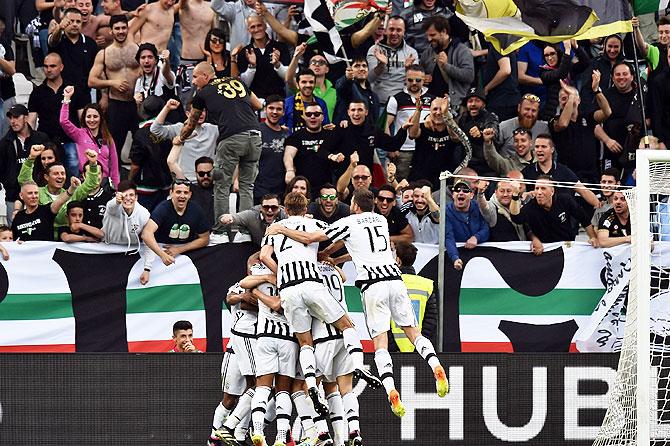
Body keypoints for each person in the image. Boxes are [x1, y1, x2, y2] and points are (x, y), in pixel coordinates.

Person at [267, 188, 448, 419]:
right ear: (372, 204)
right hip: (395, 280)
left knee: (380, 344)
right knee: (415, 333)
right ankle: (436, 367)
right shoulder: (381, 220)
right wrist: (334, 258)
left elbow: (311, 238)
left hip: (373, 286)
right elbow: (356, 248)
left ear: (353, 205)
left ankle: (391, 390)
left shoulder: (349, 222)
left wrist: (281, 228)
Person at [261, 192, 382, 420]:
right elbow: (342, 235)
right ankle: (358, 365)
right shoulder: (314, 222)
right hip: (311, 285)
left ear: (285, 209)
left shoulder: (273, 229)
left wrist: (281, 275)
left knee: (305, 342)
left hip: (288, 289)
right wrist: (328, 254)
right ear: (306, 208)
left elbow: (265, 256)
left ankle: (311, 386)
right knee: (347, 325)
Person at [175, 61, 263, 238]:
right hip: (255, 136)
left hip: (231, 138)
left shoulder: (203, 92)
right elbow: (258, 105)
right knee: (247, 186)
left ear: (206, 76)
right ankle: (244, 232)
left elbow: (192, 121)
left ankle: (221, 232)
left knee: (222, 186)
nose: (193, 82)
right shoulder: (237, 81)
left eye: (195, 77)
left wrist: (180, 138)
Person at [239, 260, 294, 446]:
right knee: (283, 391)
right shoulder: (292, 271)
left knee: (262, 388)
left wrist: (256, 289)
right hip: (288, 337)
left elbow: (244, 283)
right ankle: (280, 436)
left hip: (264, 336)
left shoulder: (259, 269)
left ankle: (258, 431)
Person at [27, 52, 87, 178]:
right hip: (46, 141)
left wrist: (84, 141)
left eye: (52, 66)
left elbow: (82, 118)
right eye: (46, 66)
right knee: (48, 175)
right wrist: (30, 142)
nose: (48, 70)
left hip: (70, 140)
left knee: (73, 171)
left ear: (61, 67)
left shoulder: (73, 90)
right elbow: (31, 121)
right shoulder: (37, 93)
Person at [88, 15, 140, 160]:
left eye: (123, 28)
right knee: (114, 147)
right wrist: (112, 83)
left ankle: (136, 179)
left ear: (128, 29)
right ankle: (112, 181)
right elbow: (91, 81)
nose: (121, 31)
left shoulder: (138, 50)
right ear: (111, 31)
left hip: (137, 104)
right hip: (116, 104)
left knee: (143, 144)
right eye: (117, 28)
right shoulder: (104, 54)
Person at [511, 176, 599, 255]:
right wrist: (515, 195)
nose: (539, 192)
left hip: (566, 247)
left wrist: (593, 237)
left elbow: (584, 218)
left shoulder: (565, 200)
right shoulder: (531, 206)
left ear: (552, 191)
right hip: (544, 249)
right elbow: (516, 218)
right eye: (536, 188)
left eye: (543, 188)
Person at [141, 180, 211, 278]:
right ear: (171, 193)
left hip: (186, 252)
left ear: (190, 195)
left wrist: (179, 249)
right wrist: (162, 255)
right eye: (178, 192)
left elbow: (205, 239)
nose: (182, 196)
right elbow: (146, 234)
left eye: (185, 193)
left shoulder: (196, 210)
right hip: (162, 251)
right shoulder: (163, 208)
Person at [551, 78, 611, 185]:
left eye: (570, 97)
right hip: (567, 177)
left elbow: (607, 112)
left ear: (579, 100)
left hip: (591, 176)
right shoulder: (555, 120)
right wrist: (571, 97)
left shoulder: (587, 117)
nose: (567, 100)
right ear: (559, 102)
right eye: (563, 98)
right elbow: (563, 124)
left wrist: (597, 91)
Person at [60, 86, 120, 187]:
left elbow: (114, 166)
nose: (92, 120)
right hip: (85, 182)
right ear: (84, 118)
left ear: (101, 118)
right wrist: (66, 99)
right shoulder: (79, 134)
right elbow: (63, 121)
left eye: (95, 116)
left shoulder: (108, 138)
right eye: (88, 116)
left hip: (104, 184)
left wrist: (116, 188)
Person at [0, 104, 50, 224]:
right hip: (13, 195)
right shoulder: (4, 143)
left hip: (38, 194)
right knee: (14, 231)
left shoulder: (41, 138)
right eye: (11, 118)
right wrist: (10, 183)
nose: (13, 121)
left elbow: (49, 162)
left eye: (17, 117)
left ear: (26, 118)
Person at [521, 134, 600, 209]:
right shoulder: (527, 172)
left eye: (543, 147)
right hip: (537, 217)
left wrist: (599, 206)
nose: (539, 150)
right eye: (537, 147)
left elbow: (584, 191)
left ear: (552, 149)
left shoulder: (564, 171)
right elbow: (517, 193)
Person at [408, 96, 470, 189]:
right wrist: (418, 110)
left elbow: (456, 137)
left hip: (444, 178)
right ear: (430, 111)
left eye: (441, 109)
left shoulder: (451, 128)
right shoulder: (423, 127)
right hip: (420, 176)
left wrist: (446, 114)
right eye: (435, 109)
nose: (438, 112)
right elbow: (413, 134)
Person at [385, 65, 433, 181]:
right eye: (410, 80)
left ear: (424, 80)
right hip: (403, 150)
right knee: (401, 183)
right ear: (405, 79)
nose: (414, 83)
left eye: (418, 80)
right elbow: (385, 124)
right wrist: (391, 147)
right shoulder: (396, 99)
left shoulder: (433, 99)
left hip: (426, 148)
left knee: (423, 182)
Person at [283, 102, 341, 199]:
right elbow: (288, 155)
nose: (312, 117)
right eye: (309, 114)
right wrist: (289, 170)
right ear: (304, 117)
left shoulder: (331, 135)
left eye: (317, 114)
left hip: (325, 188)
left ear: (323, 117)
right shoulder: (297, 136)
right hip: (303, 189)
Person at [389, 241, 438, 352]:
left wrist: (392, 347)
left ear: (398, 261)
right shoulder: (427, 285)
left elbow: (384, 319)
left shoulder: (388, 284)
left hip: (393, 351)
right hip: (419, 350)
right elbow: (430, 321)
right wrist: (421, 345)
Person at [419, 15, 474, 114]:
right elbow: (421, 74)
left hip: (454, 107)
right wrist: (423, 77)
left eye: (432, 35)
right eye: (427, 35)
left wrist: (446, 66)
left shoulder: (461, 50)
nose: (429, 39)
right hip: (431, 107)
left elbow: (469, 76)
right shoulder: (427, 53)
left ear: (444, 32)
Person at [154, 98, 217, 182]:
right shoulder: (179, 128)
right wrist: (167, 108)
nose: (200, 114)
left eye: (203, 111)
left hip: (207, 180)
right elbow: (155, 130)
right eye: (196, 112)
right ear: (188, 114)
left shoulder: (212, 129)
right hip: (185, 181)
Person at [129, 96, 173, 211]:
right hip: (167, 183)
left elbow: (135, 164)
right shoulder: (171, 129)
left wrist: (129, 180)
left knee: (143, 221)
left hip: (145, 187)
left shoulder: (140, 133)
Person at [367, 16, 419, 107]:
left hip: (402, 103)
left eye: (399, 30)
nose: (394, 33)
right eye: (391, 29)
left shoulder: (411, 53)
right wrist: (381, 65)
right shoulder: (375, 50)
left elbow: (415, 84)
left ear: (404, 32)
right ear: (385, 30)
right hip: (379, 103)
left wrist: (408, 70)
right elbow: (369, 79)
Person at [235, 15, 291, 99]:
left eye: (259, 25)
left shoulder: (281, 47)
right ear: (248, 30)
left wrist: (277, 64)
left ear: (265, 26)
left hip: (278, 100)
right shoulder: (244, 52)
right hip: (255, 101)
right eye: (252, 27)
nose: (257, 29)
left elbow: (288, 77)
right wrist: (252, 66)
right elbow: (244, 84)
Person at [48, 7, 98, 99]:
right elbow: (52, 41)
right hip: (59, 93)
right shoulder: (58, 39)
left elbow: (97, 70)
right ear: (64, 22)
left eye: (78, 22)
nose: (75, 24)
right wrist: (59, 28)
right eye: (71, 21)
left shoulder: (90, 43)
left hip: (83, 94)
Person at [444, 180, 489, 271]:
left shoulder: (478, 206)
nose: (461, 193)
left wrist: (476, 237)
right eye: (457, 190)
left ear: (472, 195)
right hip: (460, 253)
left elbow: (486, 228)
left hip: (480, 254)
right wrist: (455, 258)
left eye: (465, 190)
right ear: (453, 195)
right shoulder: (446, 211)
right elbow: (448, 237)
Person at [12, 179, 78, 241]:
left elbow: (60, 200)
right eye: (30, 193)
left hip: (47, 252)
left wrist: (72, 188)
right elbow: (13, 240)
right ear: (21, 195)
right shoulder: (18, 217)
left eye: (36, 193)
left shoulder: (46, 210)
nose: (34, 196)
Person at [456, 87, 499, 177]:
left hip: (486, 167)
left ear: (483, 104)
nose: (473, 104)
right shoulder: (463, 118)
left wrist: (482, 133)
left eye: (477, 100)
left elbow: (492, 131)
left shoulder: (490, 117)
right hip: (466, 165)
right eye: (470, 101)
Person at [254, 95, 287, 203]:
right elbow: (243, 157)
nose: (274, 112)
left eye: (279, 109)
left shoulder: (287, 134)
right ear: (265, 109)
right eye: (271, 108)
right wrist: (236, 180)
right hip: (259, 189)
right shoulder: (256, 131)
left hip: (281, 191)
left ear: (283, 112)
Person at [218, 194, 286, 246]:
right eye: (266, 207)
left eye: (274, 207)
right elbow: (235, 217)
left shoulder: (286, 216)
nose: (270, 210)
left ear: (279, 208)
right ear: (261, 208)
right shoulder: (252, 215)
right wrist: (225, 218)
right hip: (254, 246)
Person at [497, 93, 549, 158]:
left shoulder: (544, 128)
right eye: (527, 109)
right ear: (519, 108)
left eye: (533, 111)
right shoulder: (504, 127)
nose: (529, 114)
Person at [282, 69, 330, 134]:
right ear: (297, 84)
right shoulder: (287, 103)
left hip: (316, 142)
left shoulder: (321, 103)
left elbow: (325, 127)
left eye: (311, 82)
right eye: (304, 82)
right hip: (293, 142)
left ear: (315, 84)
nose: (308, 85)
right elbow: (280, 126)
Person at [334, 57, 380, 124]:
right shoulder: (348, 86)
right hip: (347, 131)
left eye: (364, 66)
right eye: (357, 66)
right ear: (350, 69)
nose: (361, 69)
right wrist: (346, 78)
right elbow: (340, 86)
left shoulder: (374, 96)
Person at [482, 41, 520, 121]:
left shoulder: (498, 43)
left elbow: (505, 70)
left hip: (501, 100)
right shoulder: (506, 44)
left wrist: (486, 88)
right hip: (509, 99)